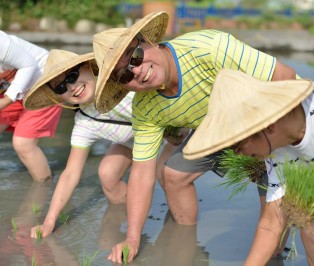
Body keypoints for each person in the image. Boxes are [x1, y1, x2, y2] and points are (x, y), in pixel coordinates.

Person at [92, 11, 298, 263]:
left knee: (272, 239)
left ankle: (275, 249)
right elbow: (141, 173)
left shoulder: (207, 48)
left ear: (148, 41)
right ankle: (185, 243)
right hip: (219, 129)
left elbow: (285, 78)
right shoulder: (145, 108)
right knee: (173, 175)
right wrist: (133, 237)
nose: (137, 71)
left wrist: (267, 146)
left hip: (276, 119)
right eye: (124, 75)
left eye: (135, 57)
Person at [183, 69, 314, 265]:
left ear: (267, 126)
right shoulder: (276, 151)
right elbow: (271, 223)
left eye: (236, 144)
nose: (236, 154)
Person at [24, 49, 178, 239]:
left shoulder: (125, 85)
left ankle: (179, 229)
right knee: (107, 173)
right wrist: (49, 221)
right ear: (59, 97)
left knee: (168, 176)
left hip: (169, 130)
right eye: (61, 87)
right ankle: (132, 215)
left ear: (90, 67)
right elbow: (70, 173)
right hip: (133, 139)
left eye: (72, 76)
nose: (71, 87)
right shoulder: (85, 121)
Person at [0, 30, 62, 182]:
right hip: (12, 86)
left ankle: (43, 189)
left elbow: (29, 65)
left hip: (45, 81)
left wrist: (5, 101)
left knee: (23, 144)